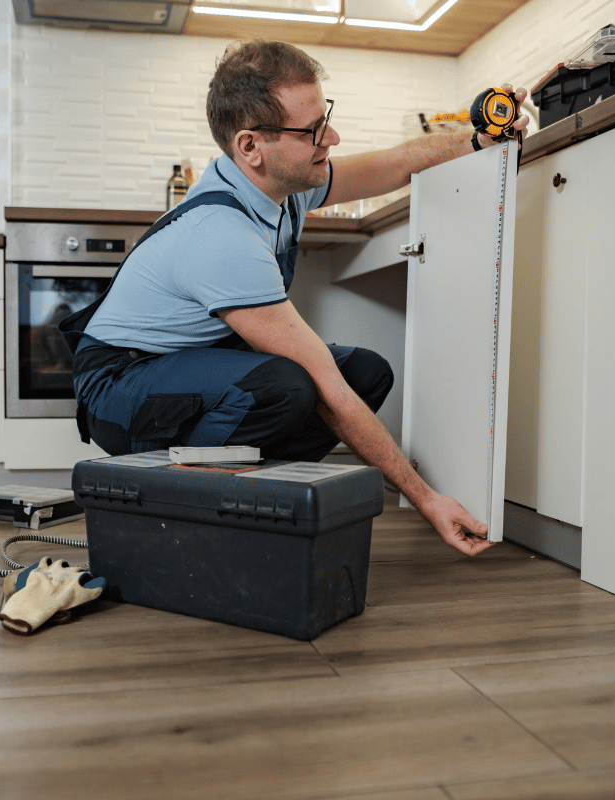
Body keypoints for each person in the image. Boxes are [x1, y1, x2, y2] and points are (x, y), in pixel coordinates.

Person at [63, 41, 528, 556]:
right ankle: (179, 520)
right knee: (288, 384)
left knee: (366, 371)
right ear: (250, 146)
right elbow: (325, 389)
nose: (331, 136)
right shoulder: (222, 235)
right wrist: (427, 499)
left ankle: (253, 507)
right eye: (311, 131)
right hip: (119, 386)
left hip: (181, 364)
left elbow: (397, 164)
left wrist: (481, 141)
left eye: (324, 117)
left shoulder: (283, 186)